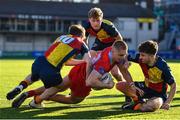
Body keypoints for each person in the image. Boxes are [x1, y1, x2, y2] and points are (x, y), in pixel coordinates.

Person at [12, 40, 132, 108]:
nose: (123, 57)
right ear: (113, 50)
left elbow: (122, 68)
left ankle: (29, 94)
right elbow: (90, 82)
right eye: (121, 55)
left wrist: (126, 64)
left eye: (124, 55)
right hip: (84, 79)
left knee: (59, 86)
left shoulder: (111, 50)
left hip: (79, 68)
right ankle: (38, 99)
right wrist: (108, 85)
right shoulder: (104, 64)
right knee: (74, 100)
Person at [6, 24, 90, 103]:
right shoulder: (80, 42)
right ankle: (37, 100)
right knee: (59, 87)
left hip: (40, 61)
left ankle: (20, 87)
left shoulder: (61, 37)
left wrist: (79, 62)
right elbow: (88, 58)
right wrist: (84, 62)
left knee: (32, 77)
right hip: (51, 68)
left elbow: (65, 61)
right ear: (82, 35)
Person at [116, 40, 176, 112]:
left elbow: (173, 85)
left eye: (143, 55)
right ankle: (138, 101)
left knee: (151, 106)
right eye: (140, 54)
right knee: (120, 85)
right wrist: (126, 62)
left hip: (159, 95)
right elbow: (125, 56)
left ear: (151, 56)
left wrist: (167, 103)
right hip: (144, 88)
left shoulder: (162, 66)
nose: (140, 57)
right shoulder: (140, 58)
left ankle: (137, 105)